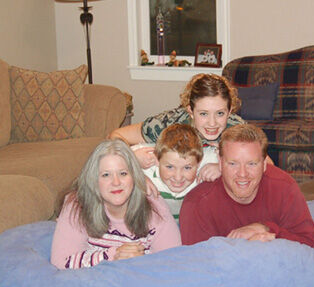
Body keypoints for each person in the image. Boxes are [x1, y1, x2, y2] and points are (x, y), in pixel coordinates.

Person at [179, 123, 314, 248]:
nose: (242, 174)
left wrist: (266, 229)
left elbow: (309, 243)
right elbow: (197, 265)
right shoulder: (196, 204)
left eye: (251, 164)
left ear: (264, 164)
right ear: (220, 163)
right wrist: (244, 247)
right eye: (233, 164)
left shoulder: (284, 186)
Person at [51, 139, 181, 269]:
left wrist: (139, 259)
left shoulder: (155, 207)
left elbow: (172, 261)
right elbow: (61, 262)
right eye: (106, 175)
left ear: (134, 176)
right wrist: (113, 255)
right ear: (93, 180)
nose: (116, 182)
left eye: (123, 173)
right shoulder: (76, 205)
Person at [109, 73, 246, 180]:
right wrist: (132, 156)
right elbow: (116, 135)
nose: (212, 123)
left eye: (220, 113)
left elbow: (265, 163)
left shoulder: (237, 129)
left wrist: (224, 168)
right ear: (190, 111)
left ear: (230, 111)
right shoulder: (169, 122)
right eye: (203, 114)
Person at [135, 124, 219, 222]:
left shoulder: (207, 159)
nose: (178, 178)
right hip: (155, 226)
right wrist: (133, 161)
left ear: (199, 163)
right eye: (170, 167)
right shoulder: (147, 160)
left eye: (187, 168)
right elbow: (116, 156)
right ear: (157, 160)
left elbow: (237, 159)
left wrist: (221, 167)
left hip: (189, 225)